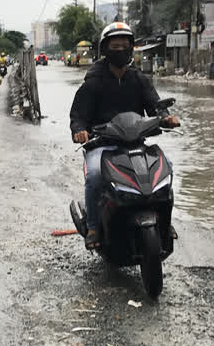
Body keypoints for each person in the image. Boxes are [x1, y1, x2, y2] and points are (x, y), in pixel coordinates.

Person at [69, 22, 180, 250]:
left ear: (131, 48)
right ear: (106, 49)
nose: (120, 50)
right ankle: (93, 227)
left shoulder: (139, 79)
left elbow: (155, 105)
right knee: (95, 176)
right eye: (115, 46)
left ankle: (165, 222)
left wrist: (166, 117)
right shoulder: (93, 82)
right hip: (103, 145)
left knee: (166, 166)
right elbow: (78, 114)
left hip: (135, 142)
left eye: (124, 46)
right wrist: (79, 130)